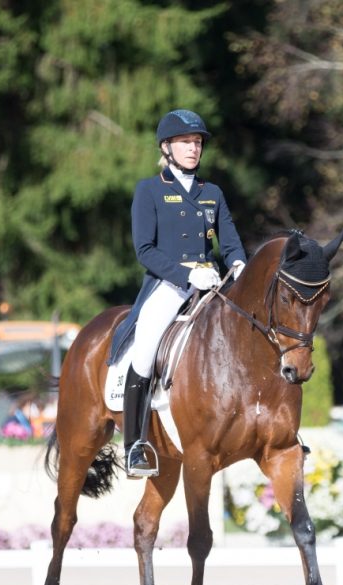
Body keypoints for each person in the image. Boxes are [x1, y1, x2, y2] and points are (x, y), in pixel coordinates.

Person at [107, 109, 248, 477]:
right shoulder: (150, 190)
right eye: (186, 142)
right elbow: (145, 250)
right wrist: (187, 274)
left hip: (212, 286)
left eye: (198, 142)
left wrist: (238, 266)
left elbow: (230, 243)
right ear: (167, 147)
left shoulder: (211, 193)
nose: (193, 148)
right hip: (169, 286)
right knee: (146, 347)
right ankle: (135, 446)